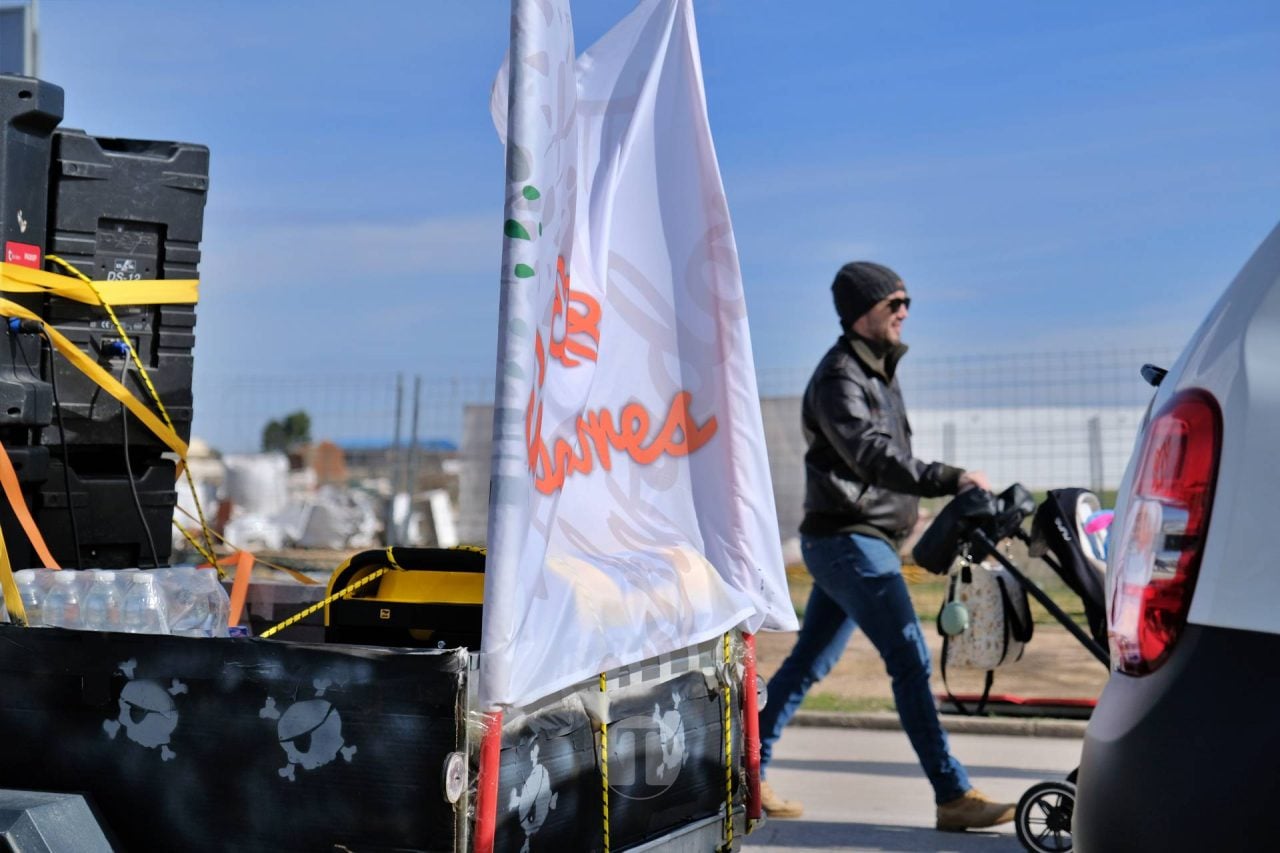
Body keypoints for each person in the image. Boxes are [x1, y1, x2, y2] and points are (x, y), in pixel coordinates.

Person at [757, 261, 1016, 832]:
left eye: (906, 301)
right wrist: (949, 478)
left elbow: (876, 465)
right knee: (909, 657)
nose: (904, 311)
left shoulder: (876, 371)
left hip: (860, 536)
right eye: (893, 302)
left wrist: (908, 512)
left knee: (807, 664)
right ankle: (952, 795)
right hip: (847, 542)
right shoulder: (840, 378)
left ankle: (746, 774)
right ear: (859, 312)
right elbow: (871, 455)